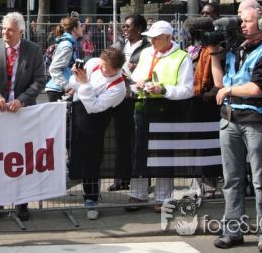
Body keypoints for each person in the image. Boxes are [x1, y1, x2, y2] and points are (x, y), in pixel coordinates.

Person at [209, 4, 262, 253]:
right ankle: (232, 231)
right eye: (241, 21)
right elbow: (219, 83)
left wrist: (229, 90)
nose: (241, 25)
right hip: (229, 119)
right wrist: (213, 53)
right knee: (232, 180)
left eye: (247, 21)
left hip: (257, 120)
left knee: (261, 180)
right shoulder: (235, 49)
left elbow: (256, 88)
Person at [0, 11, 46, 221]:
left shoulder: (33, 51)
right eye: (3, 29)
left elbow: (40, 80)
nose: (5, 33)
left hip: (23, 113)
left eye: (10, 30)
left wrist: (22, 100)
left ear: (21, 32)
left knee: (21, 158)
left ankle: (21, 203)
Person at [127, 20, 194, 211]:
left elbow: (187, 90)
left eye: (156, 38)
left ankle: (162, 197)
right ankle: (137, 194)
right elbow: (135, 78)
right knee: (139, 151)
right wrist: (138, 84)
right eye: (151, 38)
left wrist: (163, 90)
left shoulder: (182, 57)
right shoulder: (147, 53)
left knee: (164, 153)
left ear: (168, 37)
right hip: (143, 108)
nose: (152, 41)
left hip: (167, 110)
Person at [67, 47, 127, 220]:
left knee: (92, 161)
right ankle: (68, 178)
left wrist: (85, 84)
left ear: (116, 68)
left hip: (95, 124)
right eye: (101, 63)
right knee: (70, 153)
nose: (101, 67)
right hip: (76, 114)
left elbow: (95, 107)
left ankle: (91, 199)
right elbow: (72, 83)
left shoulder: (119, 87)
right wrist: (78, 77)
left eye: (105, 67)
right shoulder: (94, 63)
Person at [110, 14, 151, 192]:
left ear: (139, 29)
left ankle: (141, 179)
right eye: (124, 26)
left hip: (138, 97)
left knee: (139, 140)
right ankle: (120, 179)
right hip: (120, 97)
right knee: (121, 139)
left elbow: (150, 71)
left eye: (128, 26)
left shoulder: (148, 47)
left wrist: (135, 72)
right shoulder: (118, 45)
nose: (124, 29)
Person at [45, 16, 83, 101]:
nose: (82, 28)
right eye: (80, 26)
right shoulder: (67, 45)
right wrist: (67, 87)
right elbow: (54, 69)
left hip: (59, 89)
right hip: (58, 90)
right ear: (74, 29)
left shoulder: (69, 43)